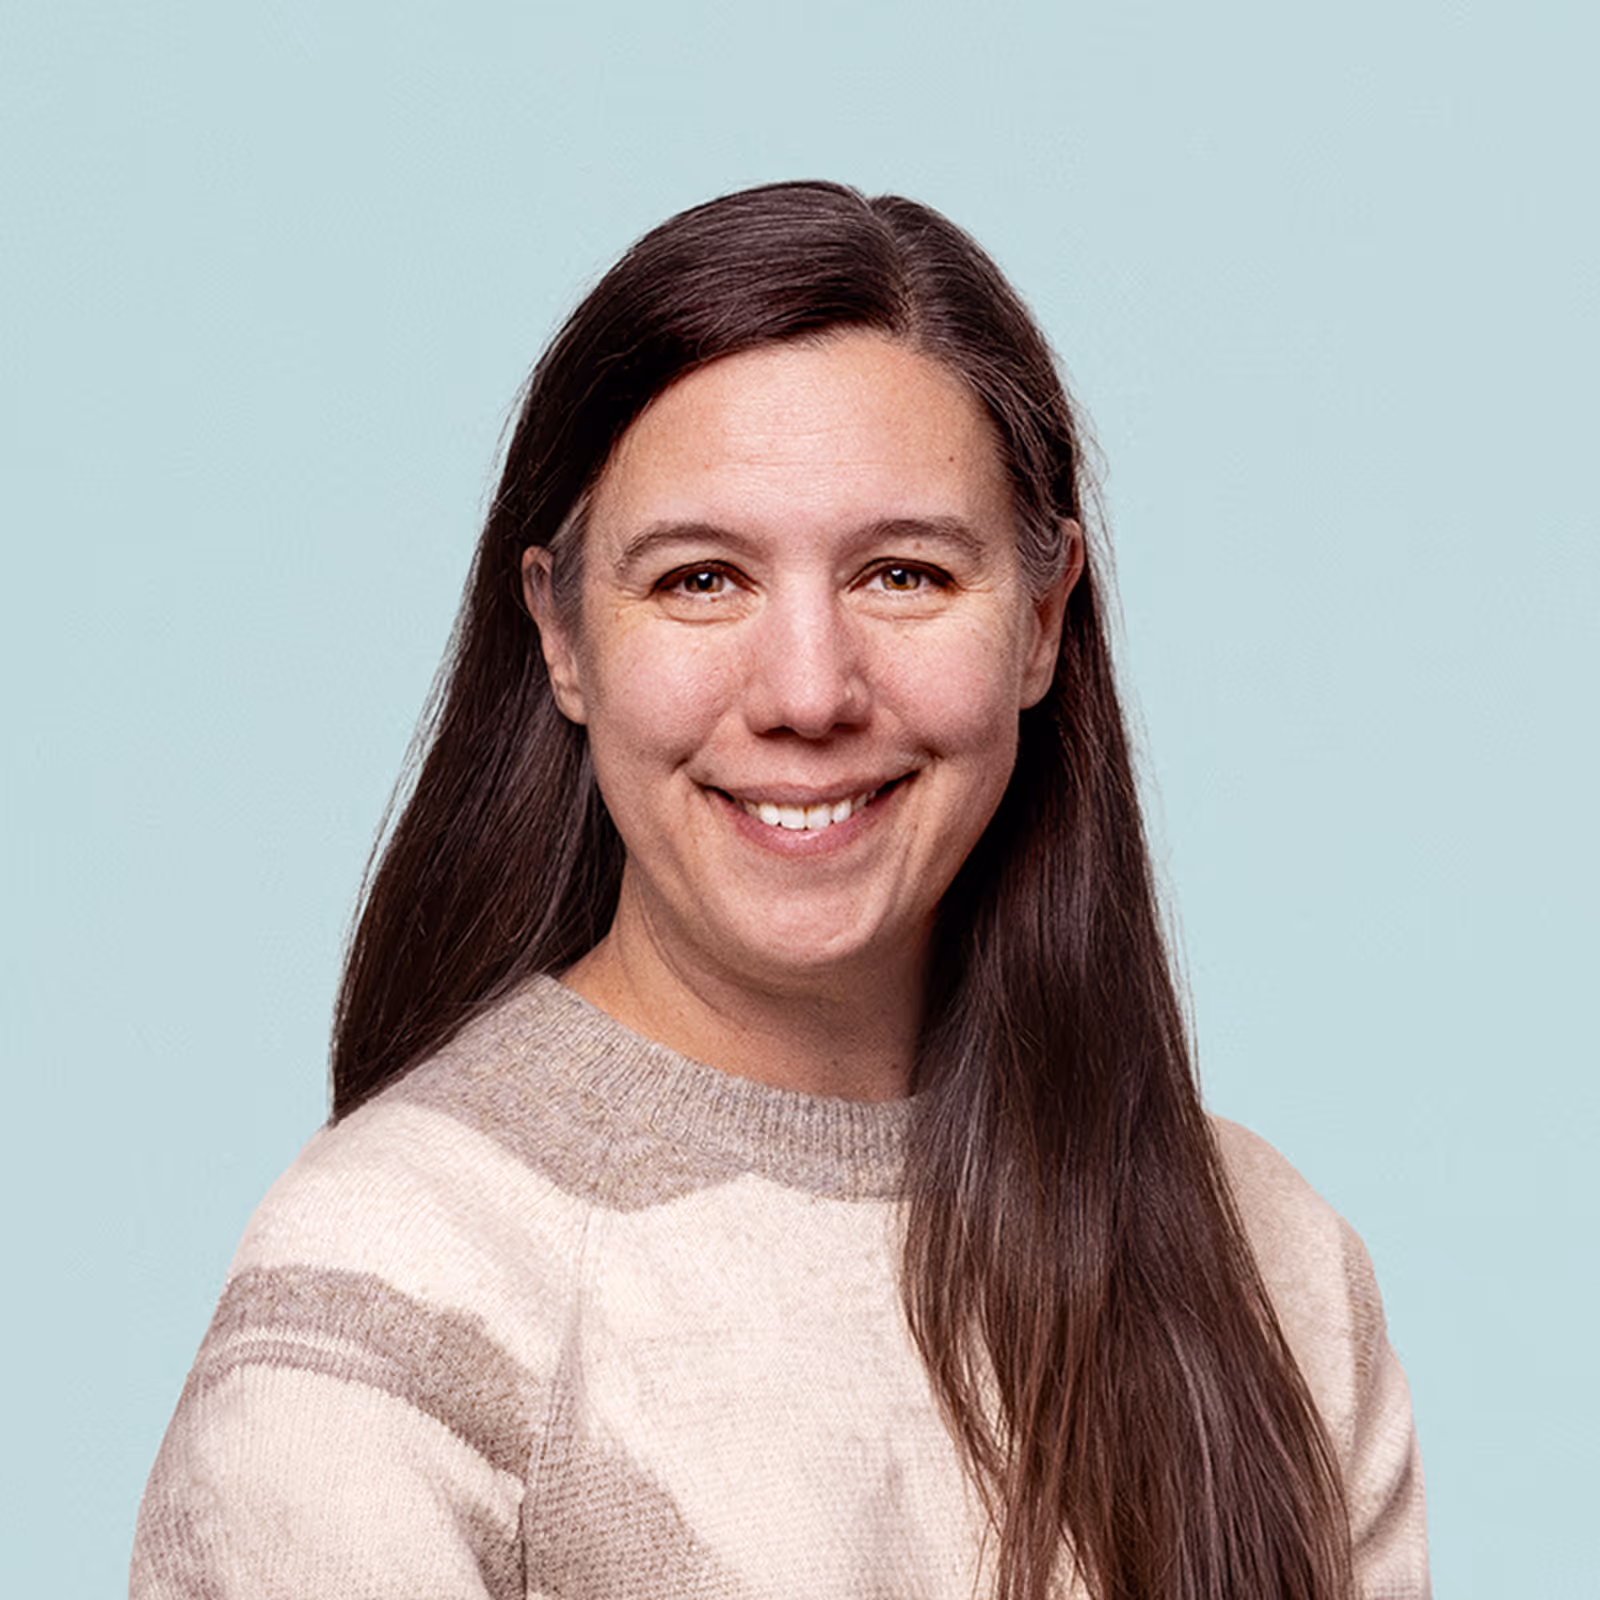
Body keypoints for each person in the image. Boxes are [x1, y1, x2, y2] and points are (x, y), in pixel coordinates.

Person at [131, 182, 1429, 1600]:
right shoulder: (398, 1282)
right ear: (562, 638)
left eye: (904, 573)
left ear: (1044, 620)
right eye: (700, 580)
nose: (810, 691)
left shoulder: (1273, 1266)